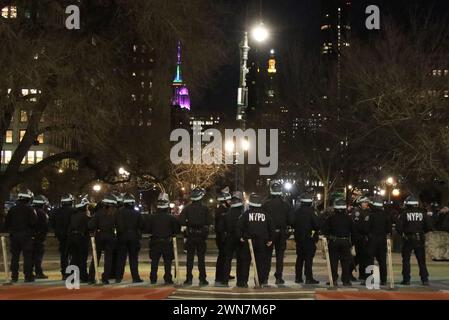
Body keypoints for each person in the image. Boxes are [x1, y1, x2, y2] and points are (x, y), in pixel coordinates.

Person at [237, 193, 274, 288]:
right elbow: (271, 228)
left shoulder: (246, 214)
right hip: (262, 242)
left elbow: (239, 226)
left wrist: (240, 236)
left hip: (248, 242)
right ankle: (260, 281)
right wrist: (270, 239)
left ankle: (243, 281)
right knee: (260, 262)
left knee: (245, 262)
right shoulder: (266, 215)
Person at [396, 195, 432, 285]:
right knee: (421, 261)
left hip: (408, 239)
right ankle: (424, 279)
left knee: (406, 260)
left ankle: (406, 279)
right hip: (420, 238)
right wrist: (422, 232)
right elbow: (429, 226)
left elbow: (399, 227)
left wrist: (403, 234)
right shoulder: (422, 213)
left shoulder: (404, 214)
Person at [180, 188, 212, 286]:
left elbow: (181, 221)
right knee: (201, 259)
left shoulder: (187, 208)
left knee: (189, 259)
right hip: (201, 236)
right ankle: (202, 279)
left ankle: (188, 279)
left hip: (190, 236)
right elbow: (209, 222)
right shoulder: (205, 208)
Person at [147, 193, 181, 284]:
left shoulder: (152, 217)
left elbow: (147, 229)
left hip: (155, 241)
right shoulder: (171, 218)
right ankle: (167, 278)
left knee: (154, 261)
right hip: (167, 242)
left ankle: (153, 278)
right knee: (167, 262)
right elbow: (177, 230)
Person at [262, 182, 292, 284]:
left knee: (267, 256)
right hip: (281, 233)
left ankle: (265, 277)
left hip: (269, 233)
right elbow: (291, 220)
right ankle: (278, 277)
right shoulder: (286, 205)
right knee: (280, 256)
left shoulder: (266, 204)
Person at [5, 190, 37, 282]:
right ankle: (28, 276)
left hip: (14, 235)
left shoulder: (12, 209)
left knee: (15, 256)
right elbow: (33, 222)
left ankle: (14, 276)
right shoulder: (30, 209)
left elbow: (7, 223)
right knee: (27, 256)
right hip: (26, 235)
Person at [289, 193, 320, 284]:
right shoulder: (311, 212)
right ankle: (309, 278)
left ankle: (298, 277)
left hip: (299, 238)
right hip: (309, 239)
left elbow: (292, 222)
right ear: (310, 202)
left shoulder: (297, 212)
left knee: (299, 259)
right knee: (308, 259)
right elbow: (317, 225)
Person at [322, 198, 354, 286]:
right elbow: (353, 231)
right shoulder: (349, 218)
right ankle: (346, 280)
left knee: (333, 261)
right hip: (345, 241)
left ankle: (334, 280)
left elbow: (325, 230)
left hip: (334, 241)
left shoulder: (331, 218)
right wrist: (352, 243)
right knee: (345, 262)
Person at [88, 194, 118, 284]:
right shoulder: (115, 213)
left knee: (96, 257)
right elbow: (119, 225)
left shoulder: (99, 213)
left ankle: (91, 277)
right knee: (108, 258)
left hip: (99, 236)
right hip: (110, 236)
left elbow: (90, 225)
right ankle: (105, 278)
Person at [115, 193, 144, 283]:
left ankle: (118, 277)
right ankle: (135, 277)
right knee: (133, 259)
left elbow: (117, 224)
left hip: (122, 237)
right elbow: (142, 225)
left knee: (121, 258)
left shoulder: (119, 212)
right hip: (134, 237)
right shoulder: (136, 213)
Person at [364, 196, 392, 286]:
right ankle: (383, 280)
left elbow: (366, 228)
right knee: (382, 261)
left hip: (372, 240)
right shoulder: (386, 216)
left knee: (369, 260)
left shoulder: (371, 215)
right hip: (382, 240)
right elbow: (389, 229)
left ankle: (369, 279)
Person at [219, 191, 245, 287]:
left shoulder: (226, 214)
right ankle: (240, 281)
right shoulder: (242, 215)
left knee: (227, 259)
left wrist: (224, 238)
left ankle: (225, 280)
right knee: (240, 260)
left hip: (229, 238)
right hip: (239, 239)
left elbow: (221, 228)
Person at [49, 194, 76, 280]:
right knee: (73, 255)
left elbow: (52, 224)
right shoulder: (74, 211)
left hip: (61, 236)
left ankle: (64, 273)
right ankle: (71, 273)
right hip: (72, 235)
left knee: (63, 255)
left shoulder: (56, 211)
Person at [67, 197, 91, 282]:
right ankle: (83, 276)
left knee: (74, 258)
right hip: (81, 239)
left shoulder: (73, 216)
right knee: (82, 258)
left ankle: (71, 276)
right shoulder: (85, 216)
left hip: (73, 238)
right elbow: (89, 227)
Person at [214, 187, 232, 285]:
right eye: (228, 200)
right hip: (222, 237)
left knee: (225, 257)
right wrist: (223, 237)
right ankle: (219, 277)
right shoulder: (221, 210)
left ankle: (225, 274)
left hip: (223, 237)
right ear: (224, 201)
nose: (230, 201)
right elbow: (220, 226)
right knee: (222, 257)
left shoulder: (226, 209)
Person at [352, 197, 371, 284]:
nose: (366, 204)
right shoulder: (357, 212)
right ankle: (350, 271)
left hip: (365, 237)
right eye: (364, 202)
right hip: (358, 237)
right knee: (359, 257)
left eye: (366, 202)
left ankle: (362, 274)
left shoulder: (368, 211)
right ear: (360, 203)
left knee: (362, 257)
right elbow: (356, 225)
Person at [31, 195, 49, 279]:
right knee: (38, 256)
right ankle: (38, 272)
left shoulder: (30, 211)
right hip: (39, 237)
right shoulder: (42, 213)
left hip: (30, 237)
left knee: (30, 256)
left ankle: (29, 272)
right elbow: (45, 226)